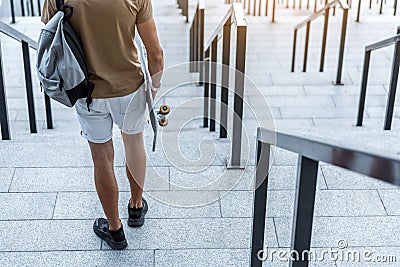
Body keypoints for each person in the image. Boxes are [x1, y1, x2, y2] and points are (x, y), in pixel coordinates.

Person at [41, 0, 164, 250]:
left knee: (101, 158)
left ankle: (115, 229)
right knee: (134, 144)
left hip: (87, 90)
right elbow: (156, 54)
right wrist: (154, 89)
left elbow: (50, 37)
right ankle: (136, 207)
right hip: (130, 89)